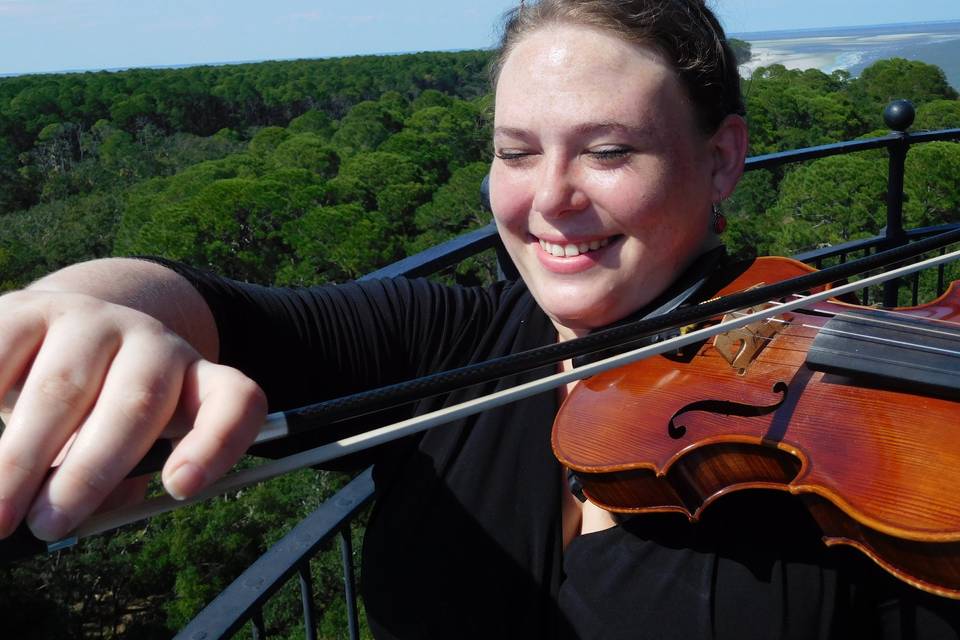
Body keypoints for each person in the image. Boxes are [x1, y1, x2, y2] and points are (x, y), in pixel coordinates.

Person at [0, 1, 958, 637]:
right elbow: (216, 309)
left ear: (719, 161)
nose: (550, 200)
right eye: (515, 151)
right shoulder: (451, 345)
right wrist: (82, 304)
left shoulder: (861, 455)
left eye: (610, 150)